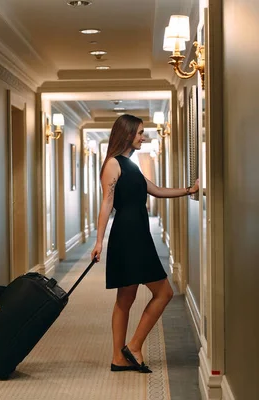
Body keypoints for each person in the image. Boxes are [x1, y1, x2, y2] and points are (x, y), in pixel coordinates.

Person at [91, 114, 199, 373]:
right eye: (140, 132)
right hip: (128, 236)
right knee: (163, 293)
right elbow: (107, 202)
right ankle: (133, 348)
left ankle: (120, 357)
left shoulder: (131, 165)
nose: (143, 137)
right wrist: (98, 241)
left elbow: (156, 189)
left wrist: (188, 190)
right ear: (128, 134)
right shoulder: (113, 165)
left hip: (137, 232)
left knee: (126, 298)